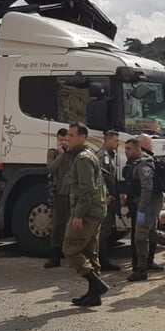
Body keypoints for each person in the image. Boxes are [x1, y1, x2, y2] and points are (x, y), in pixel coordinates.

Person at [61, 122, 110, 307]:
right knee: (90, 252)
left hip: (87, 212)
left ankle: (96, 286)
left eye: (72, 135)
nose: (68, 138)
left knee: (70, 249)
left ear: (83, 137)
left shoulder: (82, 158)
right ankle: (93, 295)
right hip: (95, 210)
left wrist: (78, 215)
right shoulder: (88, 154)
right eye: (68, 135)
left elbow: (87, 189)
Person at [124, 136, 163, 281]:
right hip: (143, 204)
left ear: (137, 148)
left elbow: (147, 188)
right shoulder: (136, 162)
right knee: (152, 234)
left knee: (140, 237)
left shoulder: (144, 163)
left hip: (146, 206)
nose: (126, 152)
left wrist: (141, 209)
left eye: (129, 149)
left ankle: (141, 269)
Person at [97, 130, 126, 271]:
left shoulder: (111, 155)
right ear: (107, 140)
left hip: (111, 197)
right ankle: (102, 261)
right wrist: (106, 195)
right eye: (115, 140)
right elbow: (100, 178)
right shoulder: (103, 156)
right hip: (105, 198)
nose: (117, 143)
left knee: (107, 229)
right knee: (104, 230)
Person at [43, 128, 71, 269]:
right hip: (58, 193)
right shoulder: (53, 153)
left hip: (71, 194)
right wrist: (61, 155)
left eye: (66, 140)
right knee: (57, 226)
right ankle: (55, 256)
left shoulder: (73, 154)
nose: (64, 143)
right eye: (61, 140)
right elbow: (50, 169)